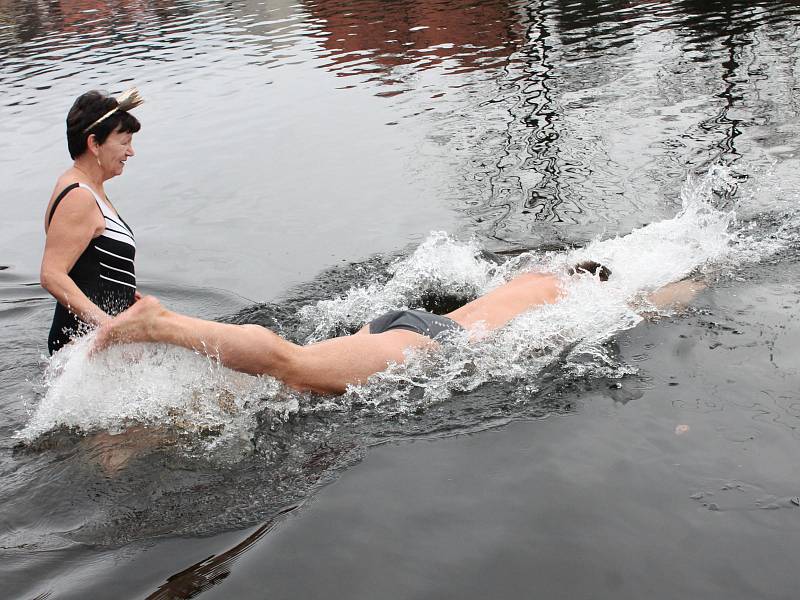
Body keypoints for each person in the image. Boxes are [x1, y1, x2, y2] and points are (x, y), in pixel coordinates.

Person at [93, 261, 611, 395]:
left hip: (403, 323)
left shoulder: (535, 275)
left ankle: (147, 425)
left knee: (279, 390)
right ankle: (164, 325)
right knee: (293, 368)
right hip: (434, 342)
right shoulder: (571, 298)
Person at [41, 88, 144, 354]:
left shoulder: (89, 188)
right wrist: (109, 326)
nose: (130, 152)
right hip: (80, 349)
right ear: (94, 144)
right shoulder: (78, 196)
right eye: (124, 142)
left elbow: (90, 265)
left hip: (95, 344)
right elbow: (52, 275)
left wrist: (124, 293)